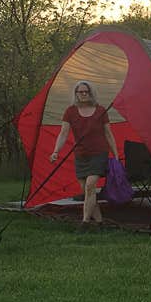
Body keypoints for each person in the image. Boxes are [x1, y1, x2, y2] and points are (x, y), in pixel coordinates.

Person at [49, 80, 118, 230]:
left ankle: (85, 223)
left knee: (90, 185)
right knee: (88, 191)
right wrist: (56, 151)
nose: (84, 94)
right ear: (76, 94)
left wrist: (116, 154)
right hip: (81, 155)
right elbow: (63, 133)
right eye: (80, 92)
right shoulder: (70, 111)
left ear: (91, 93)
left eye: (86, 91)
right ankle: (100, 223)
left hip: (99, 153)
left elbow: (109, 134)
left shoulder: (100, 111)